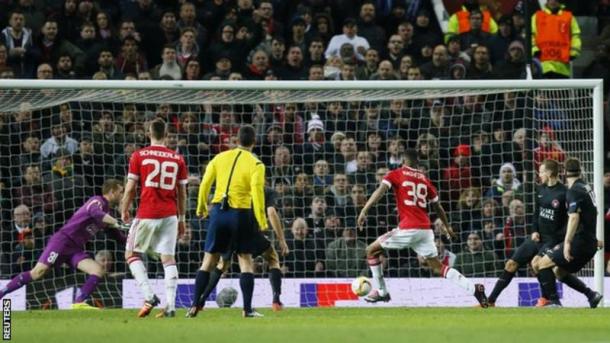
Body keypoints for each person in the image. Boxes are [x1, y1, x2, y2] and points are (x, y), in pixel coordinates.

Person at [357, 149, 488, 307]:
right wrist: (447, 227)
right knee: (438, 267)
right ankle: (474, 289)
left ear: (403, 160)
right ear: (417, 163)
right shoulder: (425, 180)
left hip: (408, 228)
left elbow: (380, 190)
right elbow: (438, 207)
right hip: (425, 229)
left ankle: (381, 292)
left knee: (371, 250)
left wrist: (365, 210)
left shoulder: (396, 173)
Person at [0, 179, 126, 309]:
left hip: (75, 249)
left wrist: (133, 240)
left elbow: (118, 236)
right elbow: (94, 212)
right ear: (112, 192)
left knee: (97, 270)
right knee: (37, 272)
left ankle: (79, 303)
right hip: (63, 241)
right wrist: (117, 222)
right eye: (121, 192)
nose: (123, 195)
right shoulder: (97, 201)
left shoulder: (108, 215)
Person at [188, 125, 266, 318]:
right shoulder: (256, 164)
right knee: (245, 261)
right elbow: (256, 191)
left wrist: (201, 207)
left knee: (208, 261)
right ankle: (247, 310)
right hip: (241, 213)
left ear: (236, 140)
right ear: (254, 142)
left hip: (218, 212)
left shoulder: (219, 158)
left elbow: (205, 183)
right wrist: (261, 220)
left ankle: (193, 307)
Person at [487, 159, 587, 306]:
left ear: (549, 173)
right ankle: (490, 301)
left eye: (541, 172)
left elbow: (571, 219)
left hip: (552, 239)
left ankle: (551, 300)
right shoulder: (541, 189)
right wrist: (534, 230)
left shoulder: (565, 193)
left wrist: (562, 239)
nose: (539, 175)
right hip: (537, 237)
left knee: (539, 264)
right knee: (511, 264)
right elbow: (536, 213)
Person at [120, 119, 188, 318]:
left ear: (149, 133)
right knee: (168, 258)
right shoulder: (177, 158)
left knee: (131, 254)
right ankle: (171, 306)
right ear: (166, 135)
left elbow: (131, 188)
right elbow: (182, 193)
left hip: (147, 212)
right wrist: (182, 218)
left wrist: (124, 209)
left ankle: (149, 296)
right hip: (170, 214)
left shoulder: (138, 155)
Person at [193, 186, 289, 312]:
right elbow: (271, 212)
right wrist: (281, 239)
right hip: (249, 230)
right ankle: (275, 301)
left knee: (222, 264)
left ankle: (200, 302)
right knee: (271, 257)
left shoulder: (237, 188)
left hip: (228, 227)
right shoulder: (267, 191)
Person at [532, 158, 603, 307]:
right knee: (558, 270)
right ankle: (591, 295)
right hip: (589, 242)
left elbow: (574, 217)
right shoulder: (586, 187)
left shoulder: (573, 191)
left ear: (564, 172)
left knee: (540, 264)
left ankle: (554, 303)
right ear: (581, 170)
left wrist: (567, 243)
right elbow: (592, 214)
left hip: (580, 242)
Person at [532, 0, 581, 78]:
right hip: (542, 66)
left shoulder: (569, 17)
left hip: (562, 67)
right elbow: (532, 35)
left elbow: (575, 35)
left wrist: (573, 52)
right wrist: (534, 50)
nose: (553, 1)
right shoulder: (537, 16)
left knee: (561, 90)